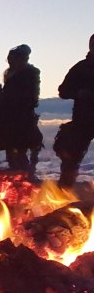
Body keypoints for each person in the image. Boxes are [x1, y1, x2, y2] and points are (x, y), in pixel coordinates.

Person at [55, 34, 94, 188]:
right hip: (83, 120)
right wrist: (79, 93)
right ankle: (64, 192)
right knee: (71, 158)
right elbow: (63, 90)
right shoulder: (81, 68)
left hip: (82, 119)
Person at [0, 45, 42, 172]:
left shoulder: (28, 75)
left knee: (20, 149)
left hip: (21, 118)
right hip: (11, 118)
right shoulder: (13, 74)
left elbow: (30, 98)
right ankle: (23, 173)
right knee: (14, 150)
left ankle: (25, 173)